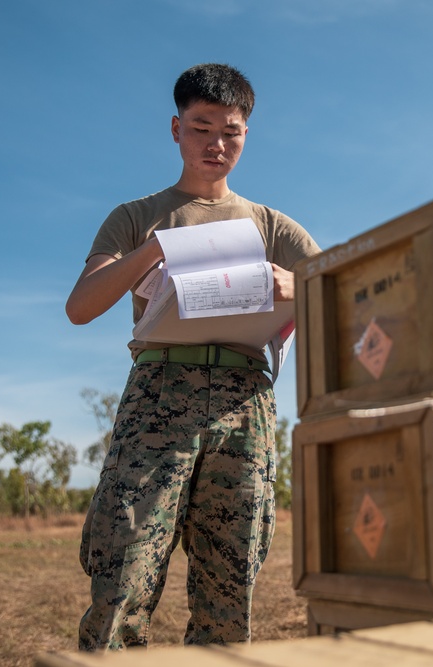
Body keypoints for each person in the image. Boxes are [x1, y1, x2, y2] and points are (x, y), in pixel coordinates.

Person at [65, 63, 320, 650]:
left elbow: (344, 293)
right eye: (202, 128)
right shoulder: (135, 217)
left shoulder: (272, 225)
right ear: (176, 129)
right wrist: (154, 249)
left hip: (244, 405)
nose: (216, 144)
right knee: (124, 572)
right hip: (158, 397)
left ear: (246, 135)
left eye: (230, 131)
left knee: (229, 586)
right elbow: (81, 307)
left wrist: (296, 286)